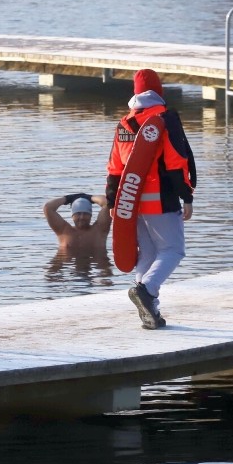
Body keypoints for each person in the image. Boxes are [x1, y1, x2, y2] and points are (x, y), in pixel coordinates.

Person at [105, 69, 196, 330]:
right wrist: (186, 195)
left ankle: (150, 312)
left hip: (130, 201)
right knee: (173, 250)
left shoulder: (124, 123)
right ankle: (147, 290)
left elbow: (114, 168)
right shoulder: (164, 119)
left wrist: (114, 203)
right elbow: (177, 161)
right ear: (160, 91)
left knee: (148, 253)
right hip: (161, 199)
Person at [43, 192, 111, 256]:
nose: (81, 217)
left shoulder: (99, 230)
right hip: (66, 266)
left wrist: (90, 197)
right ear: (72, 216)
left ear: (91, 215)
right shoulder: (63, 230)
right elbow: (48, 207)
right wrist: (68, 198)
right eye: (78, 214)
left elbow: (107, 203)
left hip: (97, 266)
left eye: (85, 214)